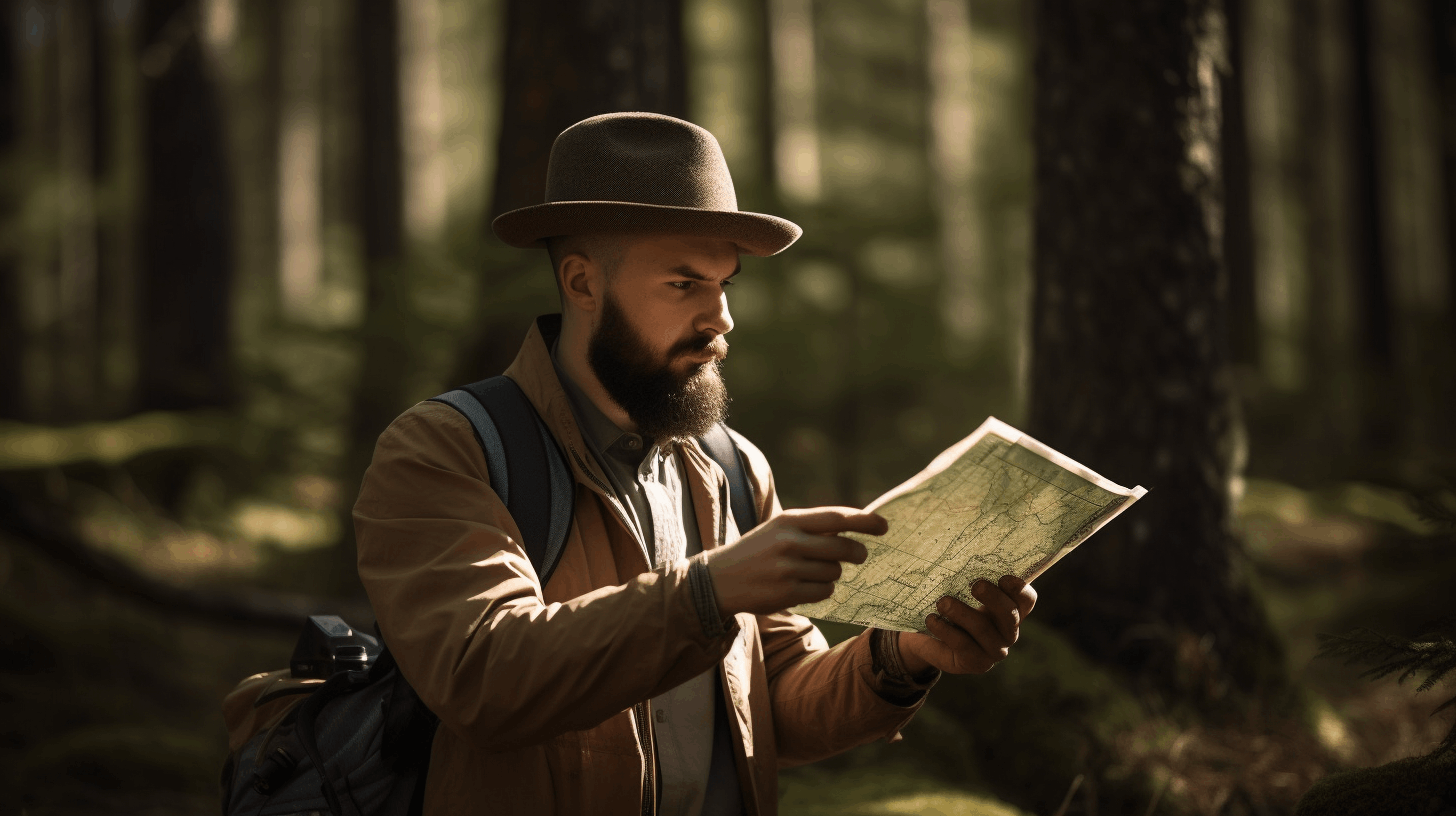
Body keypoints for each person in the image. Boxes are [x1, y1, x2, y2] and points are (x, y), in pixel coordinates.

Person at [353, 112, 1038, 816]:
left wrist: (903, 655)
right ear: (583, 283)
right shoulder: (446, 450)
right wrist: (706, 593)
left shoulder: (734, 468)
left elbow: (774, 703)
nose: (721, 318)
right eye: (684, 285)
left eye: (725, 285)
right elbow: (483, 679)